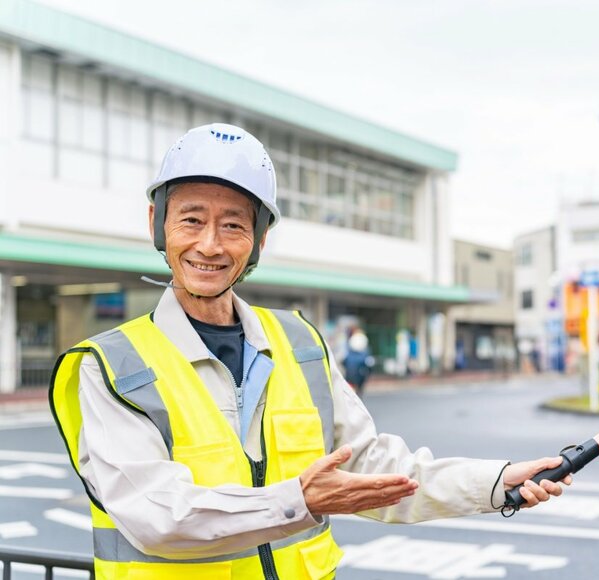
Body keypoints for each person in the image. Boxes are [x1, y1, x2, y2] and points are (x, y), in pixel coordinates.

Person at [50, 123, 570, 579]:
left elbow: (372, 466)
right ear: (156, 224)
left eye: (233, 224)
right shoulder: (110, 367)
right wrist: (297, 501)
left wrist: (496, 483)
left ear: (258, 241)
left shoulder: (299, 343)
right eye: (191, 220)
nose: (210, 244)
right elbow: (158, 518)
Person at [341, 328, 374, 397]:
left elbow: (343, 362)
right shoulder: (364, 354)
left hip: (349, 376)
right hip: (359, 375)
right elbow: (369, 365)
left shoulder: (349, 352)